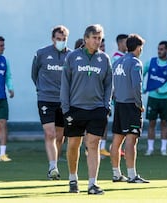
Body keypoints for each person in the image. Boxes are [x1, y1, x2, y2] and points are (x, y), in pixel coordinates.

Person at [61, 24, 112, 194]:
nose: (98, 41)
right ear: (86, 39)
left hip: (97, 109)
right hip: (75, 108)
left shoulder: (104, 59)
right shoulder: (72, 57)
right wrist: (66, 109)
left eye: (100, 38)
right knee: (74, 144)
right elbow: (65, 84)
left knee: (93, 144)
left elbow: (108, 85)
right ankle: (73, 178)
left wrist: (106, 106)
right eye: (95, 38)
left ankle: (92, 184)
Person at [31, 25, 71, 180]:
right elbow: (34, 74)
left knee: (60, 136)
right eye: (58, 39)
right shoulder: (41, 54)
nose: (61, 42)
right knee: (50, 133)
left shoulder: (72, 56)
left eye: (64, 39)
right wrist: (42, 89)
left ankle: (55, 162)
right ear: (52, 38)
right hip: (46, 98)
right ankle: (52, 167)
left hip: (63, 100)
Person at [110, 34, 149, 183]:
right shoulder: (136, 63)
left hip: (119, 104)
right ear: (138, 47)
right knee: (131, 140)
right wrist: (139, 104)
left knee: (117, 139)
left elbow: (112, 85)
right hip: (131, 105)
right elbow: (136, 86)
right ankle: (132, 175)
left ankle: (116, 173)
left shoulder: (117, 62)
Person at [143, 41, 167, 156]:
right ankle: (150, 148)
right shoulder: (151, 62)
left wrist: (163, 90)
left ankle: (163, 149)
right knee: (151, 123)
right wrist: (143, 88)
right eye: (158, 49)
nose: (159, 51)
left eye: (162, 49)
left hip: (165, 99)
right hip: (152, 98)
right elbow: (140, 74)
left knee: (164, 123)